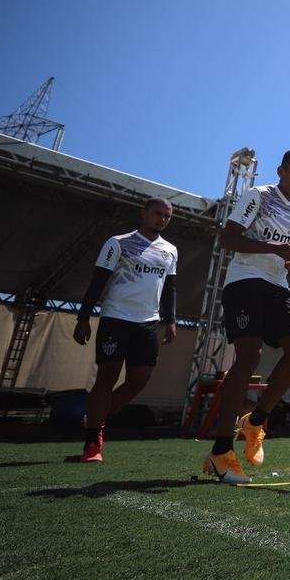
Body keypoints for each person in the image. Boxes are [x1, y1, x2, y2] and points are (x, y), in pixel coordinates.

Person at [201, 149, 290, 484]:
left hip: (278, 286)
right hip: (245, 281)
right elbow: (228, 238)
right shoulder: (259, 195)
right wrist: (276, 249)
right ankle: (221, 451)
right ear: (281, 171)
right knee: (249, 357)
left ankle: (255, 421)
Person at [72, 198, 178, 463]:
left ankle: (95, 419)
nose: (162, 219)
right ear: (144, 213)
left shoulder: (170, 250)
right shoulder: (117, 242)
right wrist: (83, 318)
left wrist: (171, 320)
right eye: (157, 214)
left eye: (167, 216)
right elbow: (98, 281)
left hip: (148, 322)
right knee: (106, 377)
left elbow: (170, 288)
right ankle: (93, 443)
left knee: (138, 381)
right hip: (116, 318)